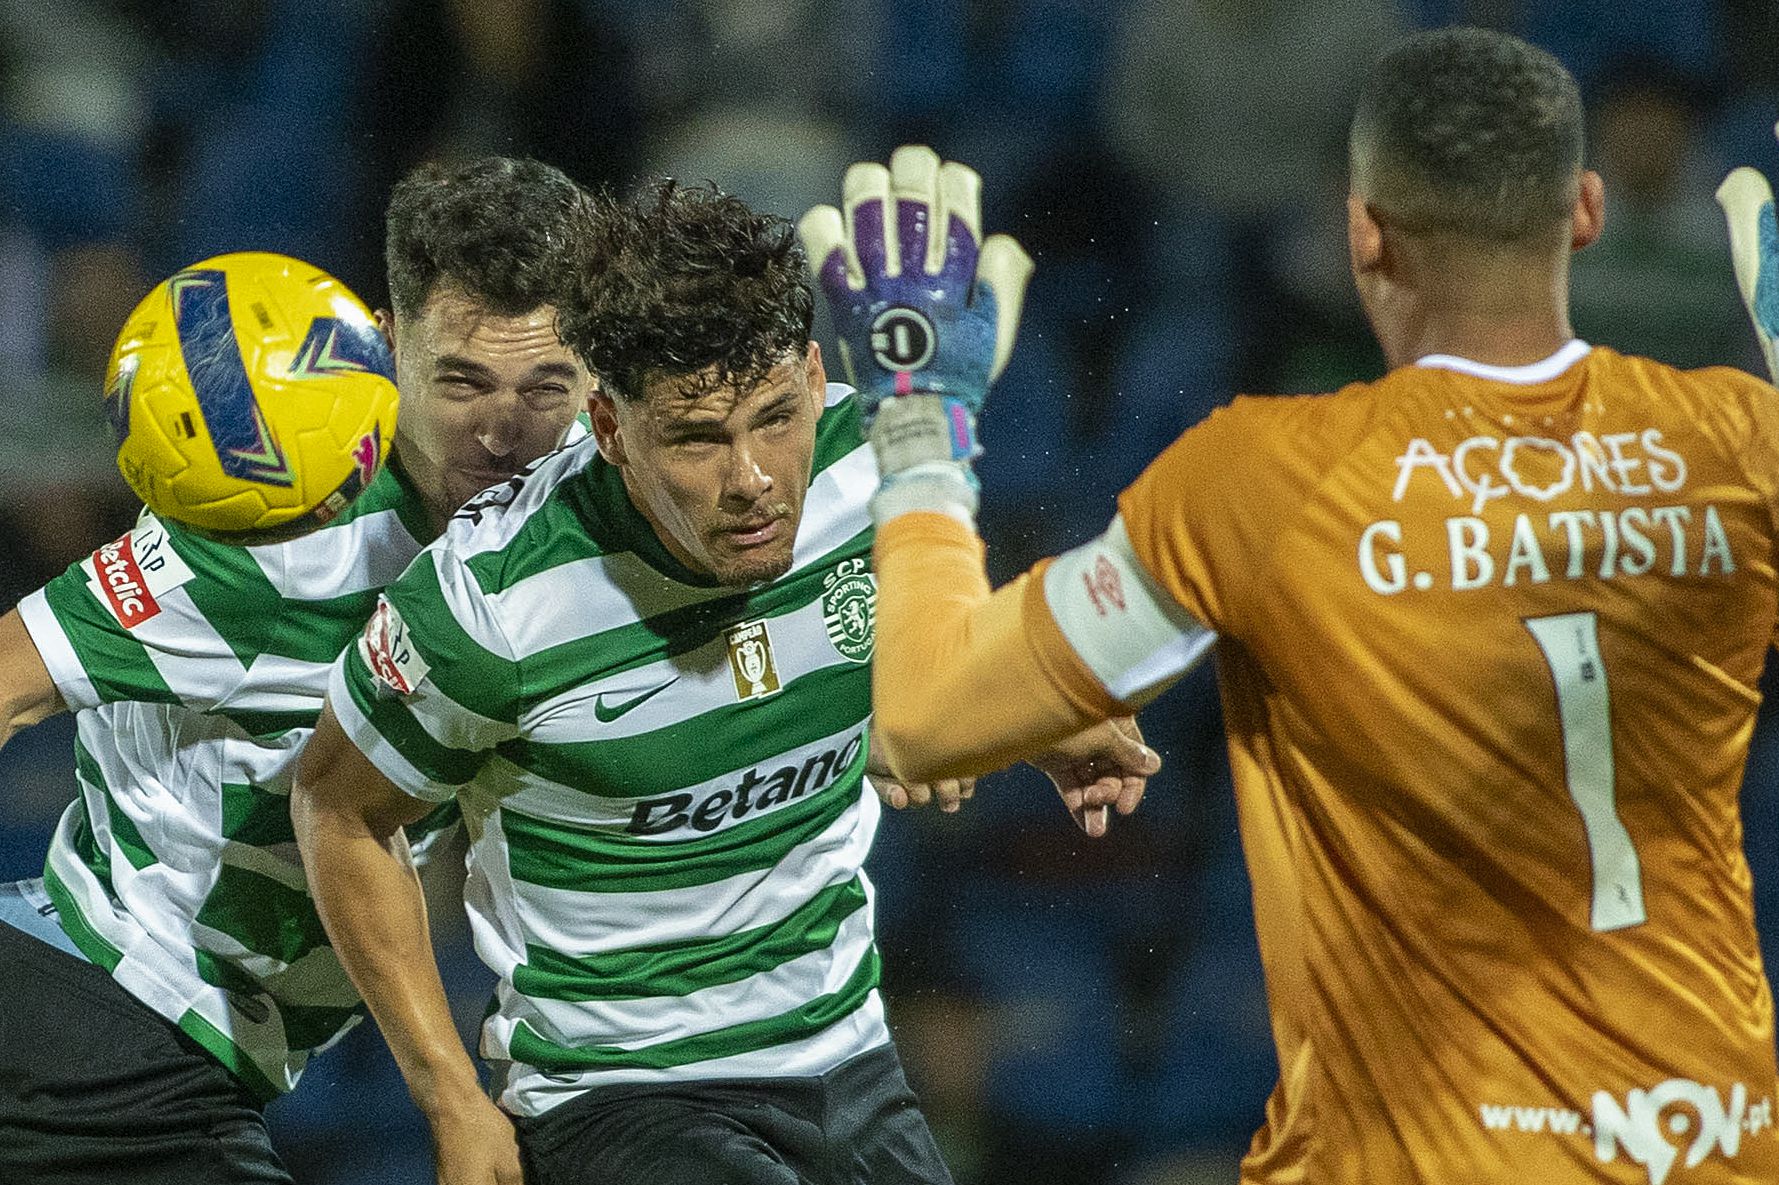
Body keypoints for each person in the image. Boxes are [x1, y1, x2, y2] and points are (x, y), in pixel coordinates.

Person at [804, 29, 1779, 1185]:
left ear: (1362, 229)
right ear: (1584, 211)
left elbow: (923, 712)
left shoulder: (1265, 485)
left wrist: (921, 432)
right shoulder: (1738, 442)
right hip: (1713, 1145)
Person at [290, 176, 1156, 1185]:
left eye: (776, 418)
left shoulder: (870, 468)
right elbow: (337, 810)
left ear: (819, 378)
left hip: (844, 1054)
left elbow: (903, 656)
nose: (752, 479)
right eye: (697, 438)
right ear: (610, 429)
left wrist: (1017, 722)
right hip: (616, 1096)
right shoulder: (492, 603)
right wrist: (450, 1097)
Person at [0, 155, 596, 1184]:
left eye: (544, 387)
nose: (503, 431)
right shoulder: (266, 535)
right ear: (389, 343)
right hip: (100, 1019)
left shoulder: (581, 513)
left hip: (184, 1052)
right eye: (461, 383)